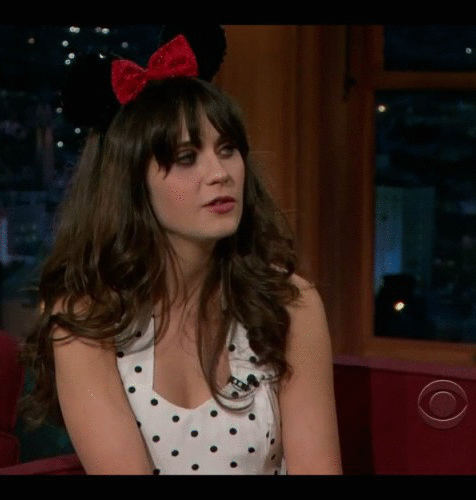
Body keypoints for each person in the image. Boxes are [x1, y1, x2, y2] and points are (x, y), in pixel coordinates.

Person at [18, 26, 342, 475]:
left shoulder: (292, 305)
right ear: (133, 184)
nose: (220, 173)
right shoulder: (86, 321)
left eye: (227, 150)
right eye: (187, 158)